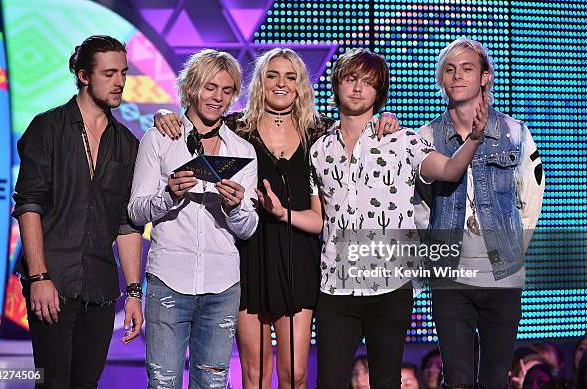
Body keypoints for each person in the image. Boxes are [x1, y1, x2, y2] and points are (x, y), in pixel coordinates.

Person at [153, 48, 399, 389]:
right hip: (247, 255)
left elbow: (358, 130)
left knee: (295, 373)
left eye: (290, 77)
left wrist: (382, 120)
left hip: (299, 255)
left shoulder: (320, 132)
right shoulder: (235, 128)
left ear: (301, 86)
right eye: (272, 75)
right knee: (254, 373)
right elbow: (196, 120)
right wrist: (167, 115)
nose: (281, 84)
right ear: (260, 82)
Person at [257, 47, 487, 389]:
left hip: (390, 286)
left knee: (385, 381)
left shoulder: (402, 140)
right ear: (337, 85)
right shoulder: (319, 149)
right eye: (350, 79)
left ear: (378, 93)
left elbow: (450, 170)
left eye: (368, 82)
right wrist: (281, 213)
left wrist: (474, 139)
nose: (357, 88)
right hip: (336, 287)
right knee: (330, 381)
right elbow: (320, 219)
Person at [12, 35, 143, 388]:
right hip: (53, 279)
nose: (119, 82)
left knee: (86, 383)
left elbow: (127, 222)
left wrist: (133, 293)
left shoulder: (127, 143)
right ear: (84, 75)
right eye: (110, 73)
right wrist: (39, 277)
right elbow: (29, 204)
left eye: (124, 73)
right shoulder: (48, 128)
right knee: (52, 383)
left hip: (100, 287)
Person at [414, 38, 545, 389]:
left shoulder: (515, 133)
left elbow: (531, 200)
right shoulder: (426, 135)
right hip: (450, 275)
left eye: (467, 68)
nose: (457, 76)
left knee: (494, 379)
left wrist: (513, 250)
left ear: (485, 77)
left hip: (501, 273)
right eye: (450, 69)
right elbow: (420, 206)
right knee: (456, 380)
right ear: (441, 78)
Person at [128, 49, 259, 388]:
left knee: (213, 383)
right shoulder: (159, 139)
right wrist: (169, 194)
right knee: (163, 383)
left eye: (226, 90)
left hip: (223, 283)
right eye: (209, 87)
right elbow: (136, 211)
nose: (217, 97)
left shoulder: (242, 151)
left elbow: (249, 227)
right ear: (191, 88)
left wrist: (234, 207)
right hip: (170, 279)